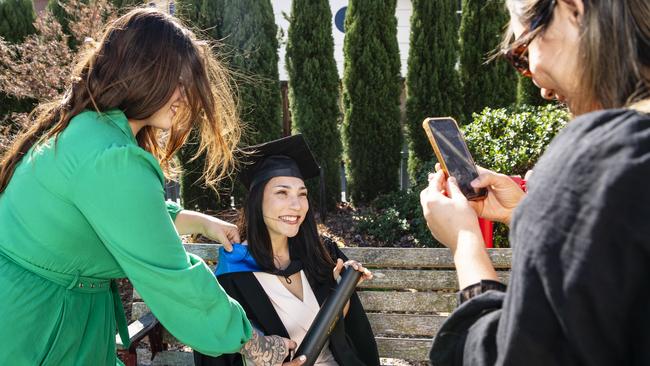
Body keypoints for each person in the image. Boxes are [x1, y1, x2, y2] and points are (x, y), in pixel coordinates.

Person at [0, 8, 304, 366]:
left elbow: (128, 219)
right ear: (139, 69)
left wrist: (201, 222)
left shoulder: (89, 128)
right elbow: (173, 277)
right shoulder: (112, 159)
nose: (185, 96)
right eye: (177, 80)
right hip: (41, 325)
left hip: (42, 310)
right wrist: (256, 344)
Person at [420, 0, 650, 365]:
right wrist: (530, 216)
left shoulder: (600, 156)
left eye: (522, 50)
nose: (540, 88)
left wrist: (465, 242)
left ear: (572, 9)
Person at [194, 134, 381, 366]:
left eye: (302, 194)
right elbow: (220, 354)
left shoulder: (323, 255)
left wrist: (341, 288)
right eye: (282, 193)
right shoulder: (234, 274)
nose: (296, 205)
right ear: (256, 199)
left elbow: (346, 333)